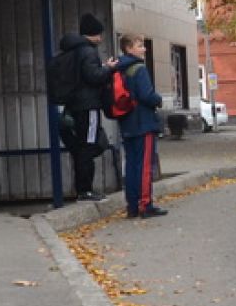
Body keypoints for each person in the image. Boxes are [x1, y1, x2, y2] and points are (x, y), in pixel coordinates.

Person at [54, 13, 114, 202]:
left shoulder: (72, 51)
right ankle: (85, 190)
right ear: (94, 34)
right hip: (89, 106)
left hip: (75, 105)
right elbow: (93, 76)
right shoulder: (88, 51)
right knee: (89, 146)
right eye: (99, 34)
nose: (101, 38)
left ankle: (83, 189)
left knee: (83, 145)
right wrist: (108, 69)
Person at [112, 33, 167, 219]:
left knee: (131, 165)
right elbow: (146, 95)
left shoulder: (118, 68)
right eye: (139, 45)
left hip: (126, 122)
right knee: (144, 165)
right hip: (143, 122)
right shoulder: (139, 68)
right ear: (129, 48)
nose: (144, 49)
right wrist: (158, 100)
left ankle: (132, 205)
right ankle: (145, 204)